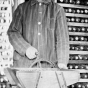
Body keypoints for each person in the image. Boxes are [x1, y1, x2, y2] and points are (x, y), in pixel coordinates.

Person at [7, 0, 69, 68]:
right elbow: (13, 32)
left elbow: (62, 39)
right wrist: (26, 49)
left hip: (49, 67)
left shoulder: (58, 10)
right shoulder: (22, 8)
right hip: (24, 66)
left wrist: (62, 62)